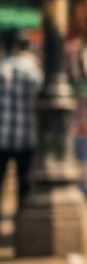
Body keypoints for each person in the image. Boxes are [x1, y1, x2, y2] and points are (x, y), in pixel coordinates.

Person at [0, 31, 40, 215]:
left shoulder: (3, 68)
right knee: (23, 183)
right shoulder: (34, 72)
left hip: (4, 135)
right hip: (27, 136)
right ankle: (21, 222)